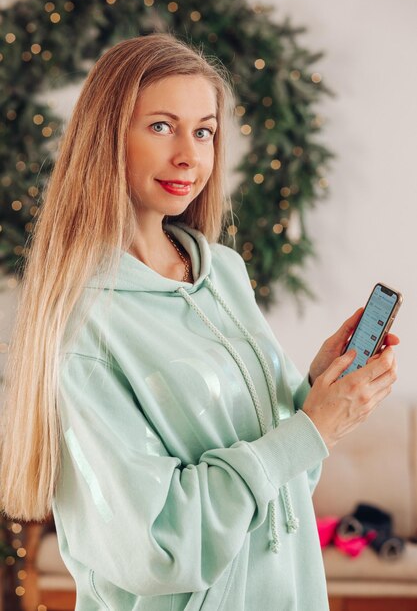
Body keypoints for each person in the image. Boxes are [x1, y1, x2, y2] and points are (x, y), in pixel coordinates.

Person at [0, 33, 398, 611]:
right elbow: (158, 547)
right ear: (106, 138)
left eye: (204, 130)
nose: (189, 154)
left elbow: (284, 482)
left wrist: (314, 394)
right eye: (161, 126)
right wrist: (310, 430)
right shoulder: (84, 324)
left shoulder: (223, 273)